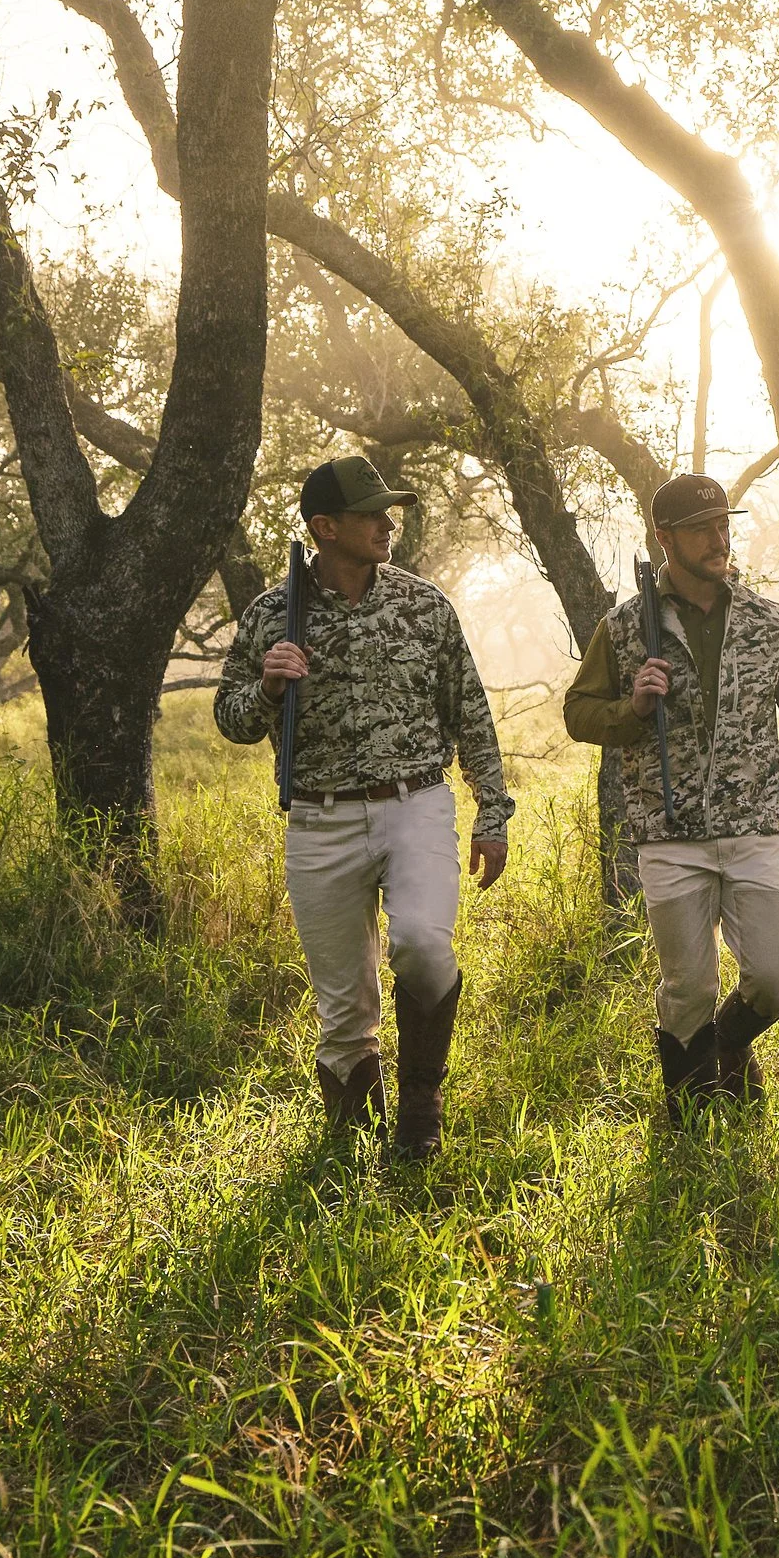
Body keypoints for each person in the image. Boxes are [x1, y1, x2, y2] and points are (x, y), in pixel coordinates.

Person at [214, 455, 512, 1157]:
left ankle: (420, 1112)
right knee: (344, 1008)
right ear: (325, 527)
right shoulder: (270, 615)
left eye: (388, 510)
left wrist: (491, 813)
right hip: (319, 817)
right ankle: (353, 1143)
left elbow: (471, 714)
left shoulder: (423, 605)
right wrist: (268, 687)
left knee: (423, 947)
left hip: (416, 804)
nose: (387, 522)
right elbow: (230, 718)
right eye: (371, 512)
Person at [563, 473, 779, 1122]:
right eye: (702, 529)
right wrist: (633, 706)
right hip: (668, 832)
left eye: (724, 524)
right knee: (689, 987)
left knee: (776, 984)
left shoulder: (765, 620)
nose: (719, 538)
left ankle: (723, 1052)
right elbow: (578, 713)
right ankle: (691, 1123)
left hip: (754, 825)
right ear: (665, 539)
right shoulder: (626, 626)